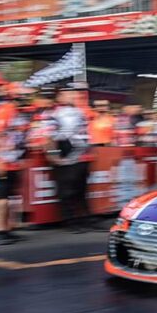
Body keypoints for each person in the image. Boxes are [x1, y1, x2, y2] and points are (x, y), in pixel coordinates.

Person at [0, 87, 31, 242]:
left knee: (8, 198)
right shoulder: (2, 111)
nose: (26, 98)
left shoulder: (20, 113)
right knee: (0, 198)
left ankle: (5, 228)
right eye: (23, 95)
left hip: (13, 162)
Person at [48, 86, 92, 230]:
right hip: (65, 154)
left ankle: (85, 219)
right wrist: (53, 154)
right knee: (66, 190)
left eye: (73, 93)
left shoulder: (80, 112)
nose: (72, 96)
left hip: (81, 156)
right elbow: (48, 136)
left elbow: (85, 133)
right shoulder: (54, 114)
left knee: (81, 189)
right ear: (59, 97)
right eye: (67, 93)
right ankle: (70, 221)